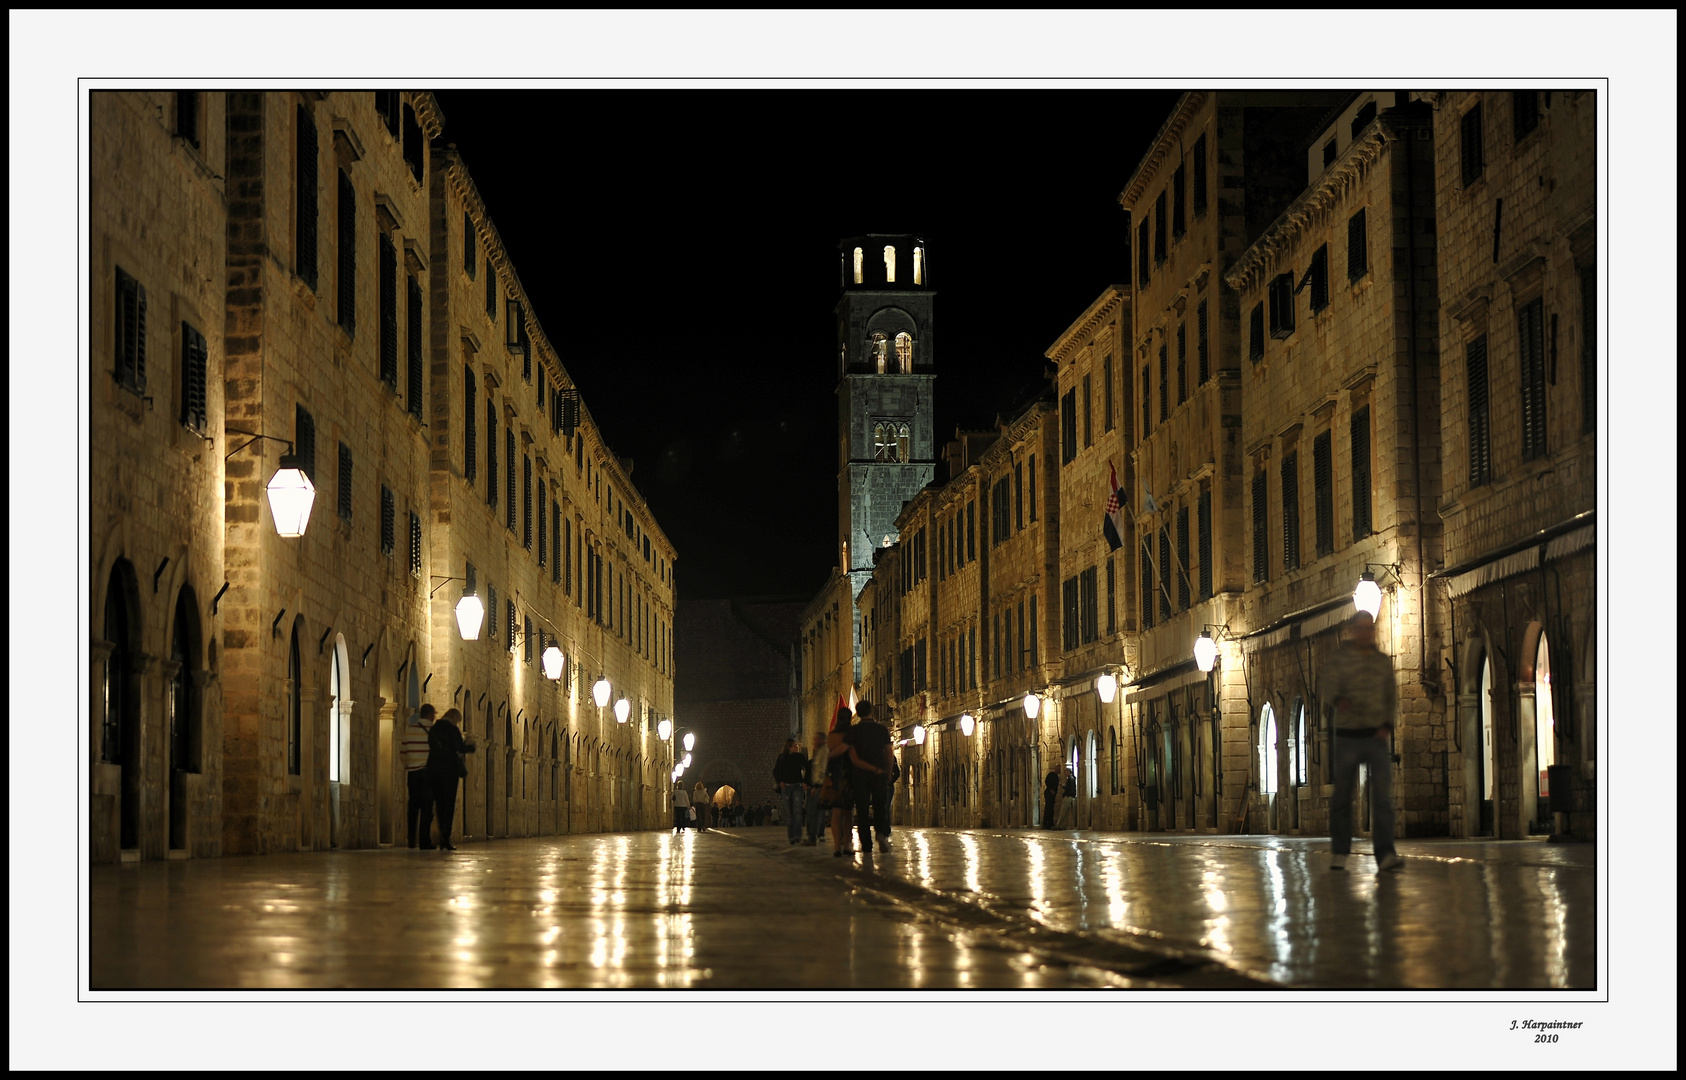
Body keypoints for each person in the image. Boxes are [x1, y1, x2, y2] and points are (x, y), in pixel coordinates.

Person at [1319, 611, 1403, 873]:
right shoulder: (1339, 660)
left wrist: (1388, 723)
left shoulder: (1382, 662)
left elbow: (1391, 694)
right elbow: (1328, 684)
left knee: (1382, 798)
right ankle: (1340, 852)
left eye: (1370, 628)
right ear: (1353, 630)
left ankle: (1385, 853)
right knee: (1342, 797)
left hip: (1375, 736)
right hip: (1347, 735)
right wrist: (1337, 700)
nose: (1366, 633)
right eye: (1362, 628)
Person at [845, 700, 894, 856]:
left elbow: (852, 757)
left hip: (859, 775)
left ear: (857, 713)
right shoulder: (881, 730)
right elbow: (889, 752)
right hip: (879, 773)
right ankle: (881, 832)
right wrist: (887, 771)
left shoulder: (853, 731)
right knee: (880, 805)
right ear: (871, 711)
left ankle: (866, 844)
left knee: (862, 809)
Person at [422, 707, 474, 851]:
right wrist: (471, 747)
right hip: (449, 772)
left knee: (438, 804)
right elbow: (460, 747)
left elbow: (431, 747)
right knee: (448, 804)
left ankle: (438, 835)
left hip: (433, 770)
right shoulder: (452, 729)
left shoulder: (434, 729)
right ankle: (445, 838)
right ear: (455, 718)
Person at [401, 703, 436, 848]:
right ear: (430, 714)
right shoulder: (434, 731)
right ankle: (424, 841)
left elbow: (402, 751)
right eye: (434, 714)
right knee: (427, 808)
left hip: (413, 773)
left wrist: (409, 765)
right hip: (427, 773)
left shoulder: (410, 730)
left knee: (413, 806)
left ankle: (410, 839)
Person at [825, 707, 855, 856]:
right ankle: (847, 844)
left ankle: (837, 846)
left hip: (835, 775)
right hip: (849, 775)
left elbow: (830, 755)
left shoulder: (832, 736)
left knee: (836, 812)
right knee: (847, 812)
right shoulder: (852, 735)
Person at [773, 737, 811, 845]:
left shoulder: (799, 757)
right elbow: (776, 771)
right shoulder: (782, 757)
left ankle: (797, 836)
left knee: (797, 812)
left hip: (797, 786)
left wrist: (805, 781)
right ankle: (791, 837)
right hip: (786, 787)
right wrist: (780, 781)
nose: (797, 747)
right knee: (789, 813)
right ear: (789, 747)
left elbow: (808, 767)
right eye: (795, 746)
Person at [803, 731, 829, 845]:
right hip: (818, 786)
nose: (813, 741)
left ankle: (812, 837)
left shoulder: (824, 752)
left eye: (815, 739)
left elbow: (822, 770)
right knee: (816, 812)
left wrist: (817, 786)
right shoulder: (819, 752)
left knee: (812, 812)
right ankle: (815, 836)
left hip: (819, 786)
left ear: (821, 740)